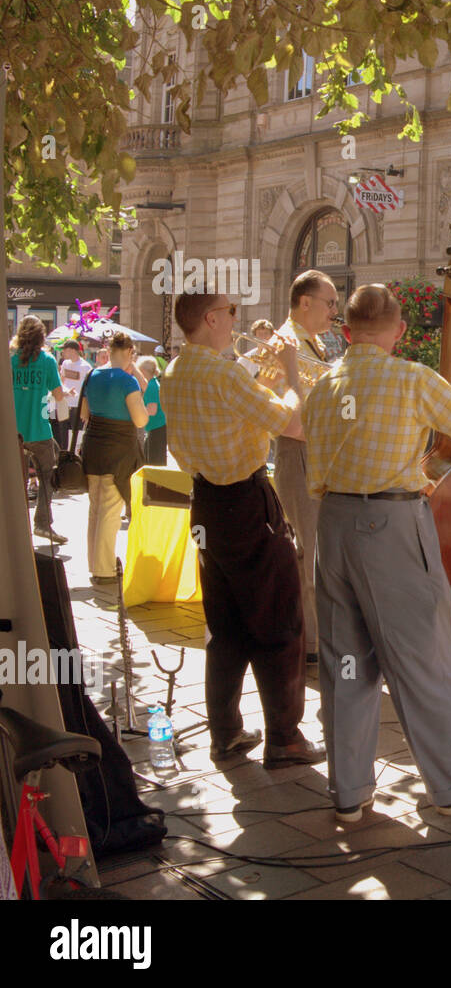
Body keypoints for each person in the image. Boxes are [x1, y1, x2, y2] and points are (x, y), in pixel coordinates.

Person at [302, 284, 451, 822]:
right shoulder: (411, 378)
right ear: (400, 331)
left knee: (345, 665)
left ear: (345, 331)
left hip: (333, 527)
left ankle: (349, 793)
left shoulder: (322, 385)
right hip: (389, 522)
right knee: (422, 657)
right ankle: (449, 786)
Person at [161, 289, 325, 769]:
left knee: (225, 625)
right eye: (232, 312)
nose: (237, 319)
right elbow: (293, 423)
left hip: (206, 503)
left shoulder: (175, 370)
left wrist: (260, 375)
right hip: (246, 502)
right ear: (212, 318)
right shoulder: (225, 372)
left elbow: (235, 410)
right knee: (278, 619)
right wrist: (292, 370)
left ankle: (227, 733)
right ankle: (284, 736)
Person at [271, 271, 339, 665]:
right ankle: (313, 644)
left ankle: (311, 639)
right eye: (329, 302)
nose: (334, 310)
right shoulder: (286, 344)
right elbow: (288, 418)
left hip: (313, 453)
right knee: (311, 550)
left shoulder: (311, 342)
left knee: (313, 550)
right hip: (299, 452)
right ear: (305, 302)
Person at [80, 331, 148, 583]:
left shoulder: (93, 375)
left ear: (108, 350)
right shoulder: (127, 381)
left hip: (93, 446)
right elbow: (140, 419)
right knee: (110, 510)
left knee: (96, 508)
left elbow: (86, 412)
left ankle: (94, 564)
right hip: (118, 450)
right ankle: (104, 570)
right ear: (130, 352)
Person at [10, 316, 66, 543]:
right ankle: (42, 524)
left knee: (15, 480)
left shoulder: (10, 359)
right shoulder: (47, 360)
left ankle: (16, 527)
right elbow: (59, 395)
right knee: (47, 477)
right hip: (39, 430)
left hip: (13, 431)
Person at [54, 340, 92, 451]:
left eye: (64, 350)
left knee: (76, 433)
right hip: (65, 403)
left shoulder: (85, 366)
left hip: (78, 405)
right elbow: (62, 380)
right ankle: (63, 457)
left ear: (72, 350)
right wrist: (65, 391)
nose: (62, 353)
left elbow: (88, 387)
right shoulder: (65, 363)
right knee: (62, 433)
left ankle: (74, 457)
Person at [138, 356, 168, 465]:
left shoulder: (151, 386)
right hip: (157, 427)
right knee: (151, 460)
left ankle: (155, 482)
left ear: (144, 371)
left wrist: (137, 411)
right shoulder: (154, 383)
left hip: (157, 428)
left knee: (154, 463)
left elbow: (152, 410)